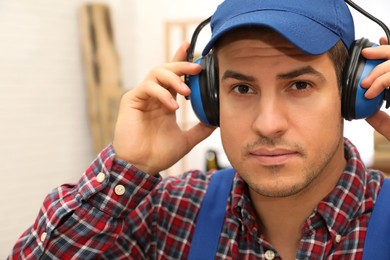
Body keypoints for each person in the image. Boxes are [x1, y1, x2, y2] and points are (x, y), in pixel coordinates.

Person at [9, 0, 390, 259]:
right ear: (207, 98)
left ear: (353, 92)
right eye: (242, 88)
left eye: (300, 85)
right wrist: (127, 168)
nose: (268, 123)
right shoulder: (168, 213)